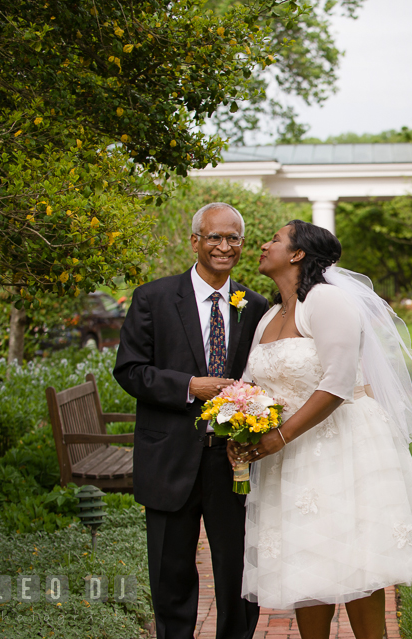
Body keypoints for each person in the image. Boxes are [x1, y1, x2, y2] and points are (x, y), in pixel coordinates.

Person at [227, 220, 412, 639]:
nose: (263, 245)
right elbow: (255, 383)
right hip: (289, 455)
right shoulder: (271, 314)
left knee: (356, 559)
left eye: (274, 239)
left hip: (341, 445)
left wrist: (279, 436)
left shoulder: (327, 301)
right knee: (306, 561)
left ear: (297, 254)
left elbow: (337, 383)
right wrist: (241, 425)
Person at [114, 203, 270, 639]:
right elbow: (130, 370)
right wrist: (189, 386)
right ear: (195, 241)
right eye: (215, 237)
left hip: (233, 464)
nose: (225, 246)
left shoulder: (254, 306)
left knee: (239, 577)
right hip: (169, 458)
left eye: (233, 238)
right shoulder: (153, 298)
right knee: (171, 576)